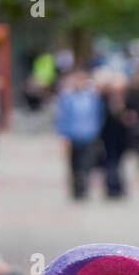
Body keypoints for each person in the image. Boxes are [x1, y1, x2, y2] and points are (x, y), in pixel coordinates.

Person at [54, 68, 103, 200]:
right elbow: (63, 117)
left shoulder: (92, 97)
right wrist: (64, 135)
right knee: (74, 165)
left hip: (89, 135)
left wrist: (96, 132)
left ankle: (85, 188)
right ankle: (76, 190)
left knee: (87, 164)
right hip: (73, 135)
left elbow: (98, 115)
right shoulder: (68, 97)